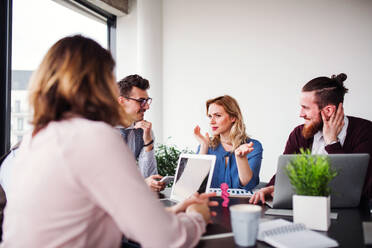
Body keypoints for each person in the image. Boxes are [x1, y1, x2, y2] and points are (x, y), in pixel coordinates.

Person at [0, 35, 218, 248]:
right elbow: (167, 240)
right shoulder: (94, 137)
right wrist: (197, 216)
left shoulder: (35, 139)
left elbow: (86, 218)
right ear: (100, 84)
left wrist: (171, 211)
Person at [250, 73, 372, 204]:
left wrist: (332, 142)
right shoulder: (299, 133)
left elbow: (362, 189)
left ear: (328, 110)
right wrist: (271, 187)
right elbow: (286, 172)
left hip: (351, 211)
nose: (301, 114)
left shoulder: (366, 131)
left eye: (305, 108)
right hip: (304, 206)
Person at [194, 95, 263, 191]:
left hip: (240, 205)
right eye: (210, 116)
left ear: (233, 117)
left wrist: (241, 158)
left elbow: (248, 186)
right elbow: (194, 185)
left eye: (218, 116)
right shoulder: (205, 145)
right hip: (209, 204)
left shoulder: (253, 146)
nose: (211, 122)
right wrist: (203, 148)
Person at [117, 75, 164, 192]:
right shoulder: (102, 131)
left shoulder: (141, 131)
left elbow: (149, 177)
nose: (147, 106)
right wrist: (142, 184)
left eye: (147, 101)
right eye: (141, 101)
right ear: (122, 101)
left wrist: (148, 142)